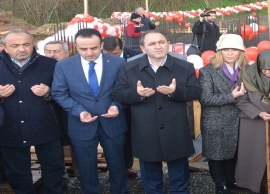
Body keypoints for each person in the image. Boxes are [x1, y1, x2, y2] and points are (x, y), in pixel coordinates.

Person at [113, 30, 201, 194]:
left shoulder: (184, 66)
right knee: (151, 176)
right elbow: (117, 94)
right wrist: (136, 94)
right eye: (152, 43)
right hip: (145, 129)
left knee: (179, 175)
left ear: (168, 44)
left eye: (161, 42)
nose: (158, 46)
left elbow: (195, 92)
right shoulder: (129, 68)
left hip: (176, 127)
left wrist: (175, 92)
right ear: (143, 48)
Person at [52, 28, 128, 194]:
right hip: (81, 124)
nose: (89, 52)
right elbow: (59, 93)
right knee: (86, 167)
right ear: (75, 47)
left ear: (101, 45)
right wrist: (78, 111)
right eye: (83, 49)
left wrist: (117, 105)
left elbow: (124, 90)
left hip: (113, 122)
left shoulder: (118, 63)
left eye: (93, 48)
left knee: (117, 164)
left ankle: (120, 191)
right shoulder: (64, 66)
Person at [0, 29, 65, 194]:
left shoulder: (50, 64)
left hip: (46, 125)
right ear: (4, 48)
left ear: (33, 45)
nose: (21, 49)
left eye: (26, 44)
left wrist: (48, 93)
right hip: (10, 127)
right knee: (17, 171)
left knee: (53, 167)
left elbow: (66, 92)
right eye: (15, 45)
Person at [237, 49, 270, 194]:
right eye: (264, 69)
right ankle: (257, 185)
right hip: (254, 124)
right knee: (256, 155)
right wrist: (259, 113)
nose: (268, 72)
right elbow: (241, 100)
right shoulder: (247, 75)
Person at [199, 34, 248, 194]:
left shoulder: (246, 70)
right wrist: (231, 96)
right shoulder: (208, 71)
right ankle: (220, 183)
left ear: (240, 52)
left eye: (234, 50)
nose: (230, 53)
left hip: (239, 118)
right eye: (226, 49)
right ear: (219, 51)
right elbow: (205, 99)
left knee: (233, 152)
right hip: (216, 119)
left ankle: (231, 179)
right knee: (217, 154)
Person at [102, 36, 141, 178]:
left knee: (130, 136)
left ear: (122, 47)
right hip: (110, 103)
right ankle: (117, 168)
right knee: (113, 138)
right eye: (108, 54)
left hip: (132, 101)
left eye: (115, 54)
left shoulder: (136, 56)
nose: (112, 57)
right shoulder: (99, 59)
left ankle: (127, 165)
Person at [44, 40, 80, 188]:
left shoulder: (75, 67)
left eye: (56, 51)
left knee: (78, 146)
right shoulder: (41, 69)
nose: (52, 55)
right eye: (48, 51)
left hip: (74, 112)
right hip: (51, 115)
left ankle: (82, 176)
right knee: (54, 149)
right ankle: (60, 180)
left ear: (67, 53)